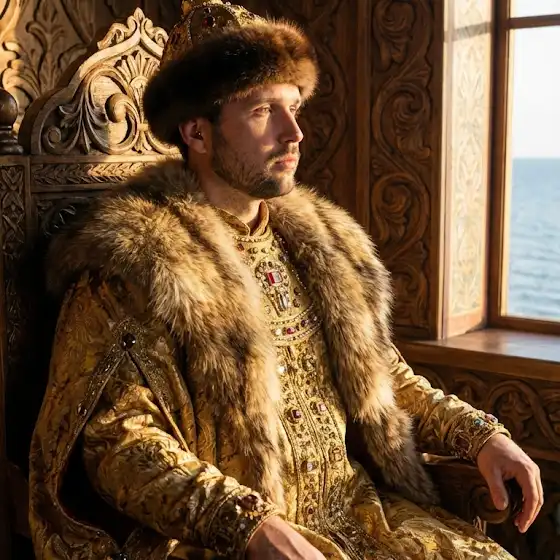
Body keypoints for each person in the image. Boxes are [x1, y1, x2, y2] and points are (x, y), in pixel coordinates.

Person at [29, 1, 543, 559]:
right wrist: (249, 526)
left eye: (294, 107)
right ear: (197, 132)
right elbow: (120, 442)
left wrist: (480, 436)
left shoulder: (321, 245)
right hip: (235, 545)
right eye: (263, 111)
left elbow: (382, 376)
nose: (294, 132)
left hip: (364, 517)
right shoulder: (137, 265)